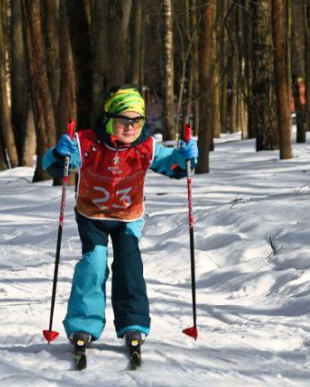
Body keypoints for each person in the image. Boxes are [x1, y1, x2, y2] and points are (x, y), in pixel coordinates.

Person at [42, 86, 198, 351]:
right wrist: (59, 153)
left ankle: (133, 323)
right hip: (92, 214)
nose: (130, 127)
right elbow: (55, 167)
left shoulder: (146, 147)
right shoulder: (87, 143)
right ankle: (84, 323)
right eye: (122, 121)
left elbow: (173, 166)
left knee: (129, 265)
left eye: (136, 121)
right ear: (108, 119)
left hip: (128, 217)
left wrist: (184, 159)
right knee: (94, 264)